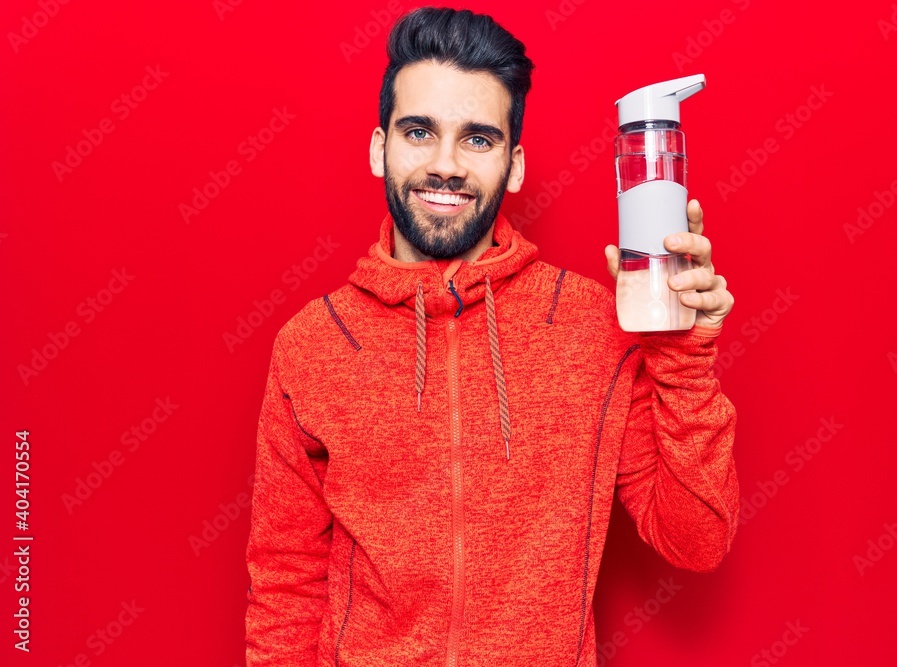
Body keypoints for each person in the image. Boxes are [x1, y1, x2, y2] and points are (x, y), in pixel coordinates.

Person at [244, 6, 738, 666]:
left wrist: (684, 353)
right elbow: (284, 588)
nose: (445, 164)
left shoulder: (593, 325)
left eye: (478, 139)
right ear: (379, 147)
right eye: (419, 131)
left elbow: (697, 538)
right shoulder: (314, 346)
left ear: (515, 164)